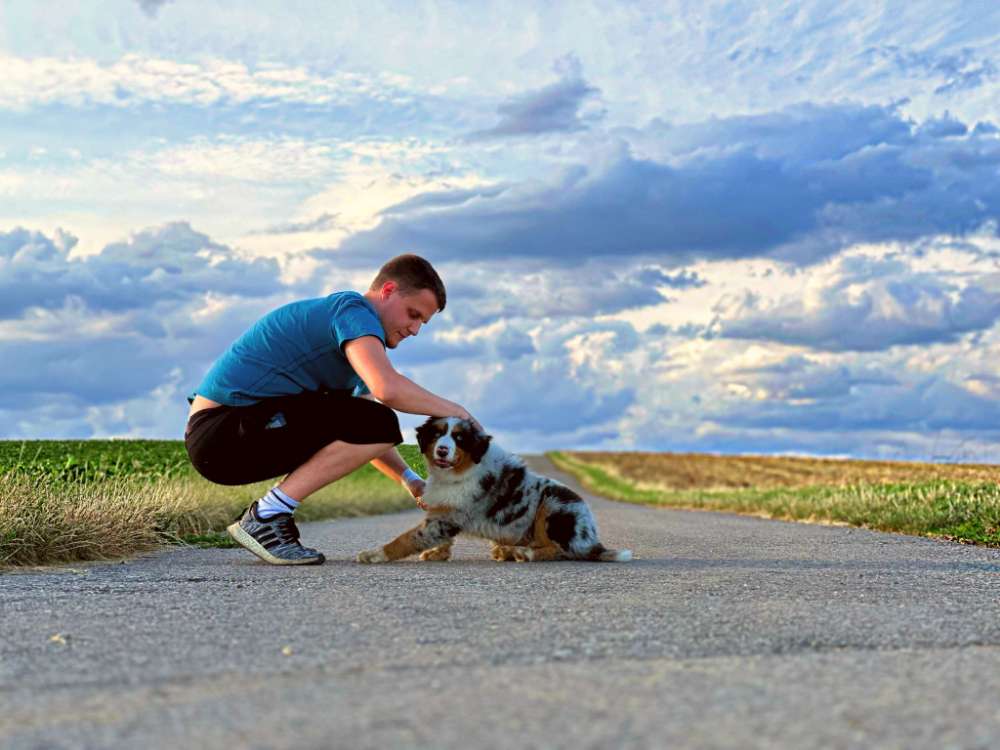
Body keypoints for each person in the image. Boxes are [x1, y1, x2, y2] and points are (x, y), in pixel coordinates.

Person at [184, 253, 478, 566]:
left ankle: (269, 514)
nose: (415, 329)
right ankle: (266, 516)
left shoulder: (352, 346)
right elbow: (388, 391)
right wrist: (458, 413)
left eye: (423, 322)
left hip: (235, 434)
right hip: (221, 432)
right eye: (413, 314)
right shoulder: (353, 311)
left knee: (372, 421)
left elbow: (367, 434)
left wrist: (411, 481)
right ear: (388, 291)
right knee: (376, 419)